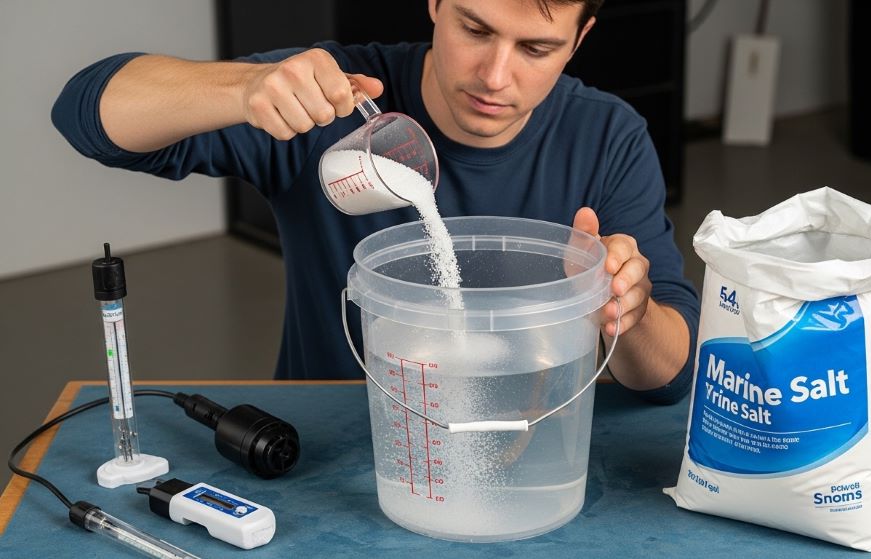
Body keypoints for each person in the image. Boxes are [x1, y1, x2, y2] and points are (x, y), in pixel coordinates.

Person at [52, 0, 700, 404]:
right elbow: (84, 114)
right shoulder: (332, 100)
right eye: (475, 28)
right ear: (435, 2)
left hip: (524, 454)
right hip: (325, 447)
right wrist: (244, 87)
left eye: (536, 48)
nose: (496, 76)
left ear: (581, 37)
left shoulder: (605, 136)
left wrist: (627, 311)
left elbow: (670, 378)